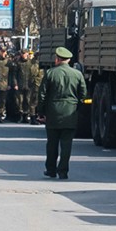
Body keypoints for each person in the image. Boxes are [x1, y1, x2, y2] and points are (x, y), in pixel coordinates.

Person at [37, 46, 87, 180]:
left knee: (52, 143)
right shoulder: (77, 74)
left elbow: (42, 95)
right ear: (69, 60)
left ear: (58, 59)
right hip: (70, 111)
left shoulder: (50, 73)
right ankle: (63, 171)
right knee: (67, 145)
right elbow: (83, 94)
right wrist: (77, 107)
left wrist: (40, 112)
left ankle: (51, 169)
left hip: (53, 111)